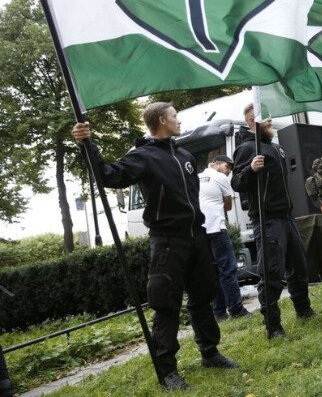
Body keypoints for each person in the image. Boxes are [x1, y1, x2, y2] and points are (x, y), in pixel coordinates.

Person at [72, 103, 237, 391]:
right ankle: (168, 371)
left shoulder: (184, 155)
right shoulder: (143, 156)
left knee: (203, 297)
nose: (178, 120)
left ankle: (210, 353)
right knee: (166, 306)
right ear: (162, 120)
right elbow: (110, 175)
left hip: (196, 238)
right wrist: (88, 146)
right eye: (174, 116)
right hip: (167, 242)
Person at [231, 104, 315, 338]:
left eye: (269, 116)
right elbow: (236, 183)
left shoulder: (275, 148)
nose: (269, 120)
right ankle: (273, 324)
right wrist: (250, 169)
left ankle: (304, 309)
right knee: (272, 272)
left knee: (298, 265)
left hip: (286, 216)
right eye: (263, 117)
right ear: (250, 122)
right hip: (267, 219)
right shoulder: (247, 148)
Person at [199, 155, 251, 321]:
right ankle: (236, 309)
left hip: (201, 230)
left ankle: (219, 312)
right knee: (227, 269)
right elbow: (228, 205)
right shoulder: (220, 177)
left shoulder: (196, 177)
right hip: (216, 228)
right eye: (227, 166)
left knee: (212, 272)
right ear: (215, 164)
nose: (229, 171)